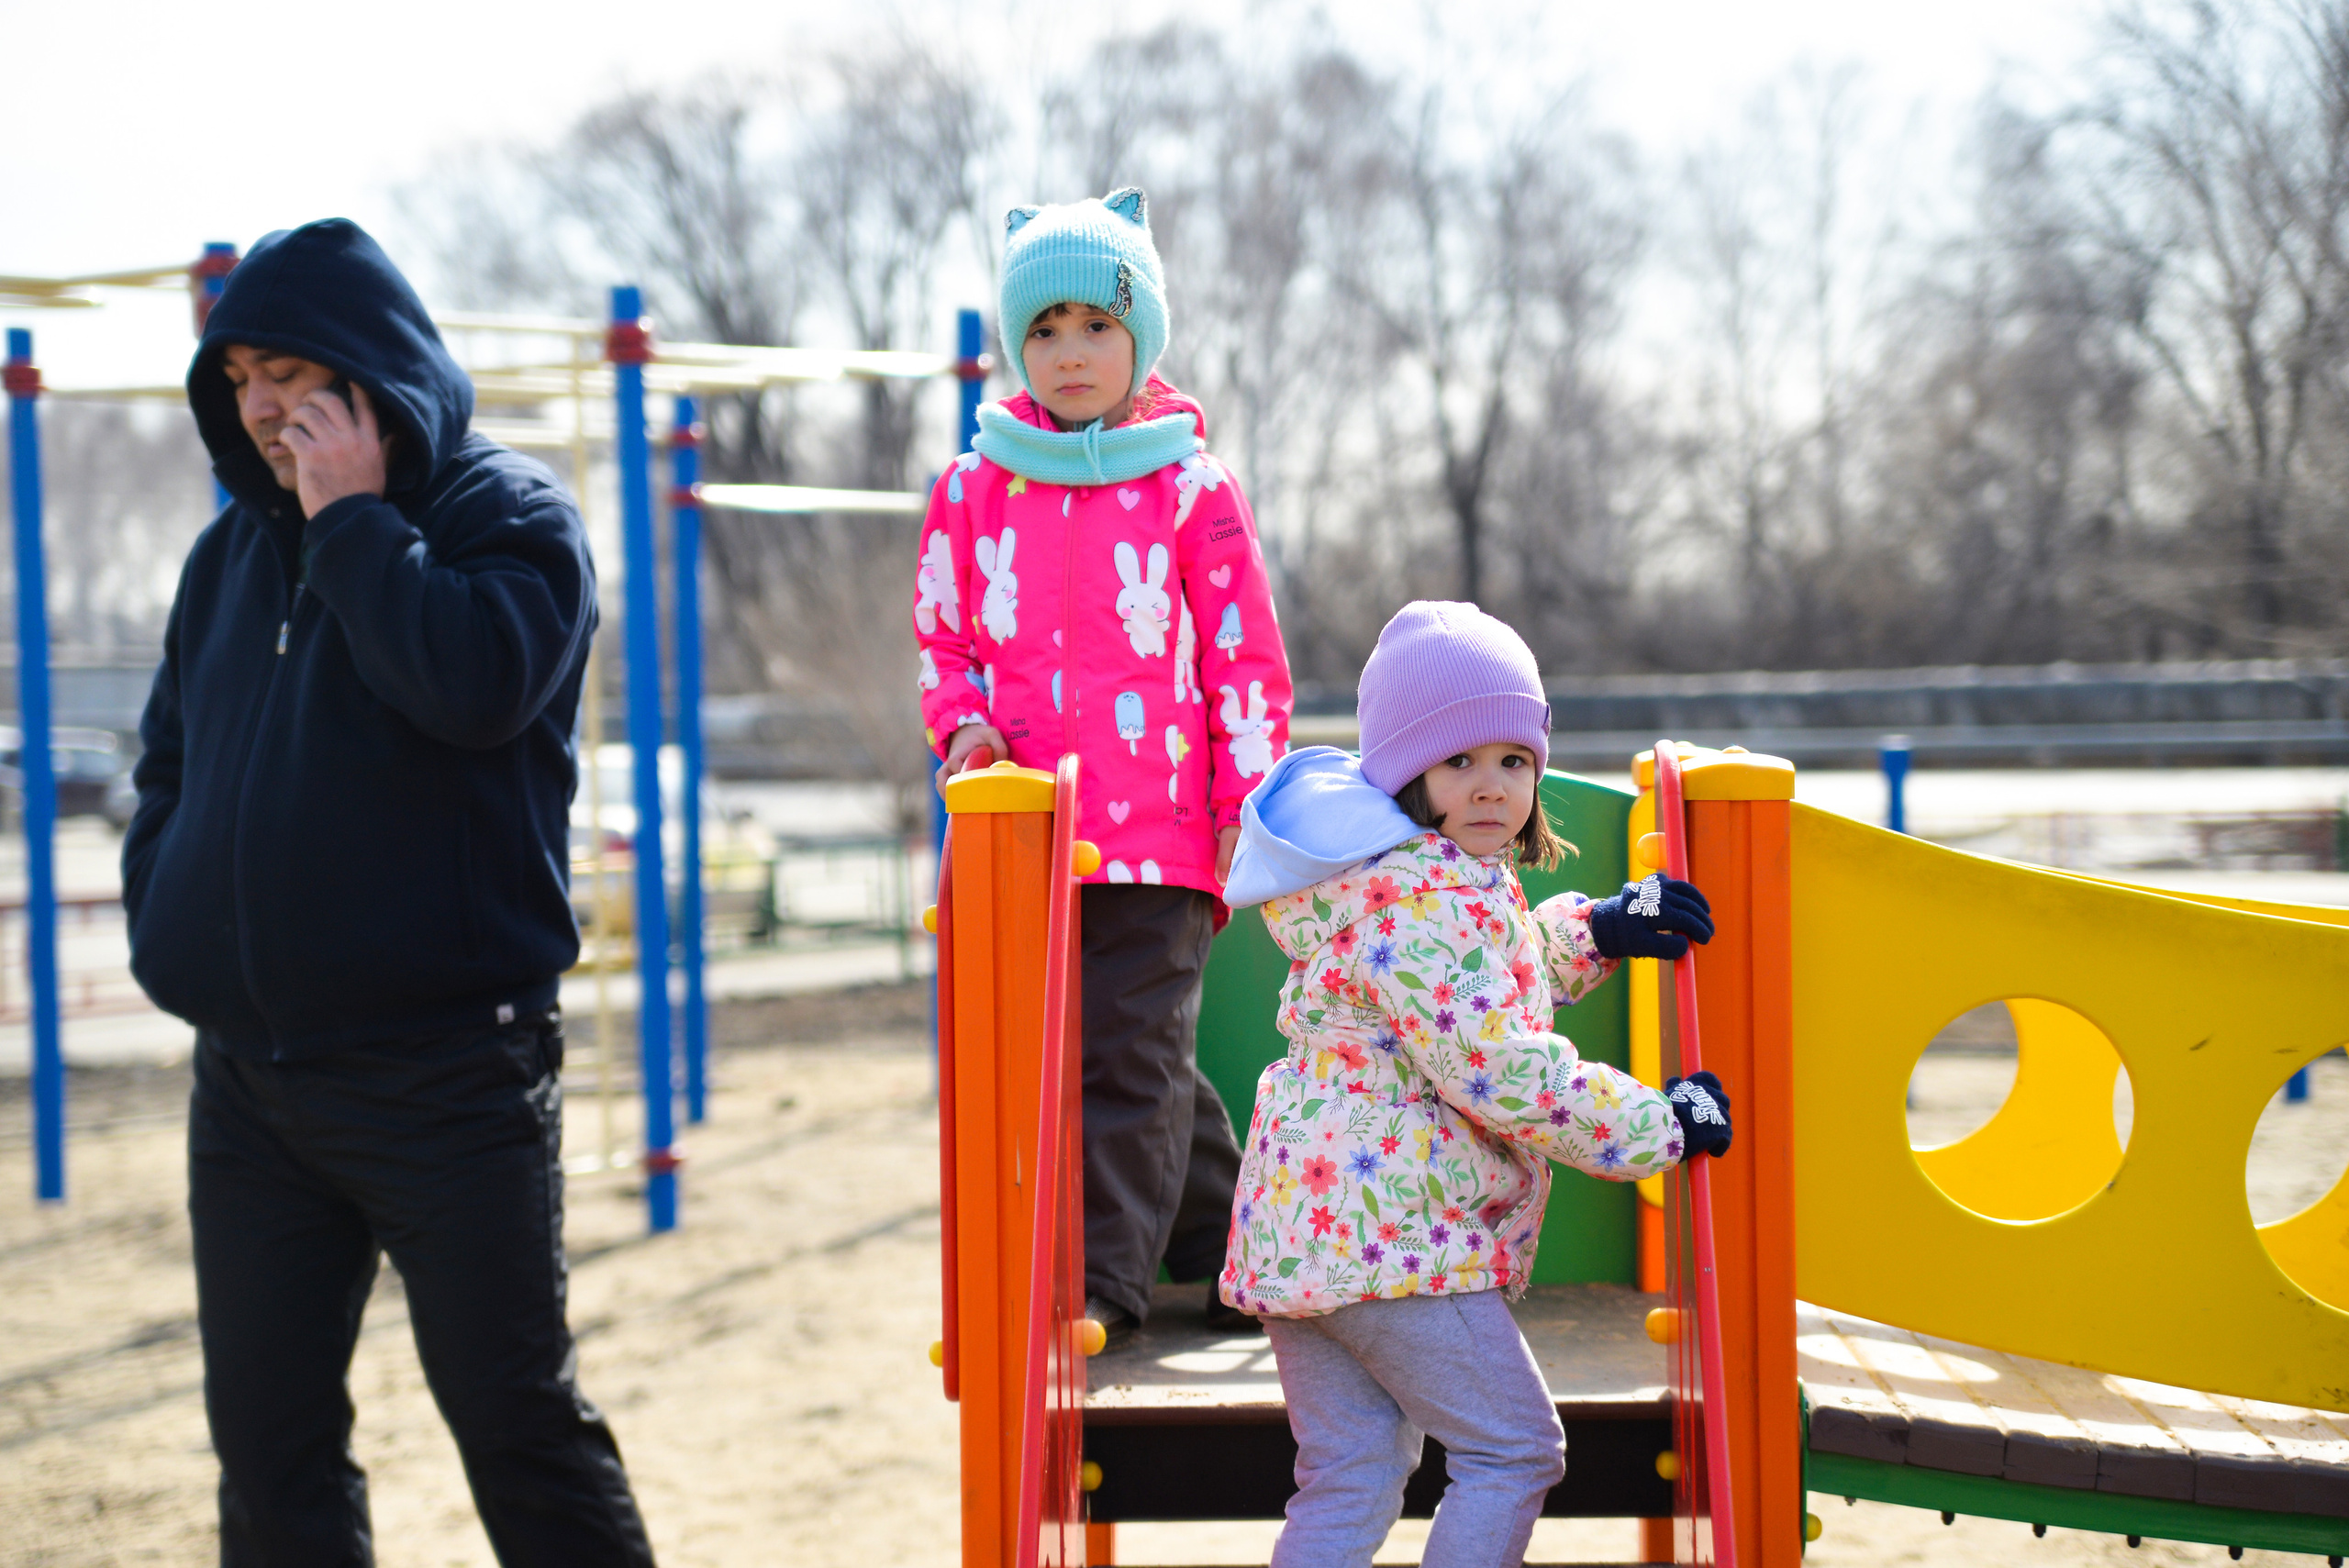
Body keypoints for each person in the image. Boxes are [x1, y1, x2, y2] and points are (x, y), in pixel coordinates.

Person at [122, 218, 656, 1567]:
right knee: (271, 1447)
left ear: (372, 371)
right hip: (248, 1085)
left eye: (291, 369)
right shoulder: (224, 555)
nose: (259, 402)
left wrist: (354, 520)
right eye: (238, 373)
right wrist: (167, 908)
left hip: (446, 1079)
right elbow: (169, 760)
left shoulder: (511, 518)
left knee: (518, 1430)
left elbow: (473, 690)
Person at [1218, 601, 1733, 1568]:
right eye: (1459, 762)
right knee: (1512, 1449)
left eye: (1513, 759)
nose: (1491, 785)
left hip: (1310, 1231)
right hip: (1389, 1236)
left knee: (1352, 1471)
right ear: (1407, 774)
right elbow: (1496, 1063)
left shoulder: (1391, 880)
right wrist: (1657, 1122)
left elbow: (1473, 987)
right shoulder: (1429, 891)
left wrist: (1596, 929)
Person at [914, 187, 1295, 1342]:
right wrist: (968, 736)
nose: (1069, 352)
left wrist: (1247, 806)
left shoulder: (1191, 489)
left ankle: (1106, 1292)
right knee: (1117, 1057)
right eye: (1042, 329)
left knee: (1129, 1055)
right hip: (1029, 835)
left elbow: (1245, 662)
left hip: (1163, 835)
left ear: (1142, 333)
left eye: (1095, 323)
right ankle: (1237, 1249)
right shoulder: (975, 490)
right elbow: (947, 641)